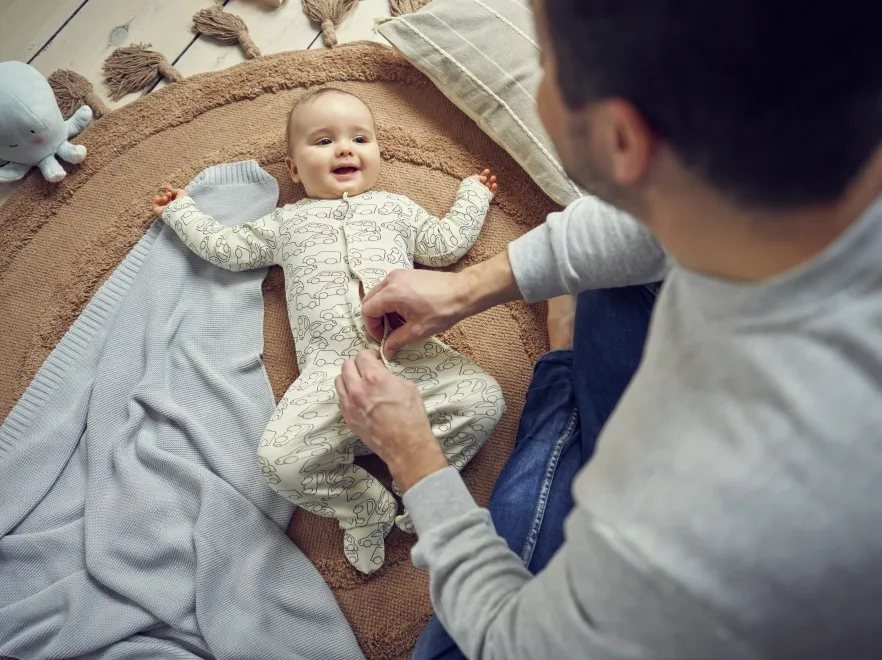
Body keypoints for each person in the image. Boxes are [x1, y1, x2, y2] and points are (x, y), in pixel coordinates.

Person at [334, 0, 882, 657]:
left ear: (623, 139)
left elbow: (515, 641)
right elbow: (663, 210)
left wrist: (413, 458)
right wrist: (467, 286)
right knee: (606, 283)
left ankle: (558, 387)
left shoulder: (678, 518)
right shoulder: (825, 144)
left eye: (546, 62)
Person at [152, 87, 502, 574]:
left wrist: (473, 197)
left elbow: (443, 244)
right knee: (279, 462)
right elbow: (228, 248)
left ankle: (416, 480)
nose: (345, 148)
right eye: (323, 141)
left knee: (484, 398)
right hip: (329, 376)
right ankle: (364, 504)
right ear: (294, 169)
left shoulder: (395, 208)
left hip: (414, 355)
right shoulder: (285, 223)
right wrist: (183, 212)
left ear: (378, 152)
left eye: (360, 137)